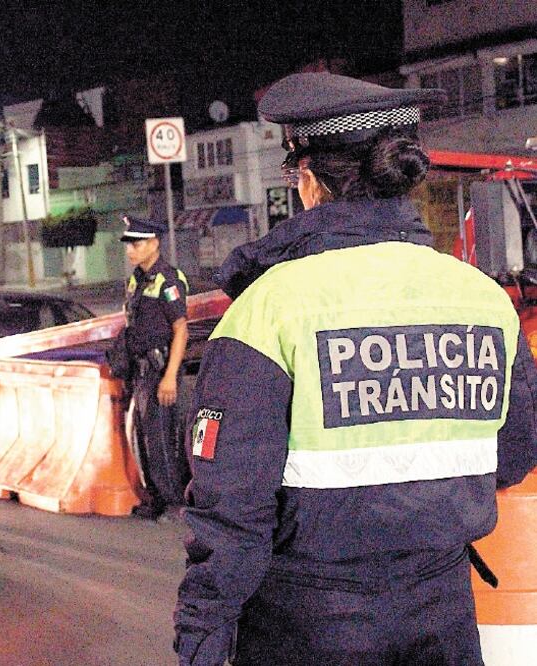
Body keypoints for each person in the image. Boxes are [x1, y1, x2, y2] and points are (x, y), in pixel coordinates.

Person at [174, 72, 537, 665]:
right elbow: (515, 454)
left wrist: (202, 637)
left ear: (309, 180)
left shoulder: (270, 306)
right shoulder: (484, 299)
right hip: (444, 616)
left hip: (306, 623)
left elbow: (232, 510)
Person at [112, 215, 189, 520]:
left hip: (160, 370)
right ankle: (155, 498)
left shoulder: (168, 280)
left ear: (155, 244)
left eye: (137, 244)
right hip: (140, 371)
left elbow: (181, 330)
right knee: (142, 438)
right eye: (129, 244)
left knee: (160, 440)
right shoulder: (137, 279)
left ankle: (173, 502)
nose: (130, 249)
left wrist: (169, 377)